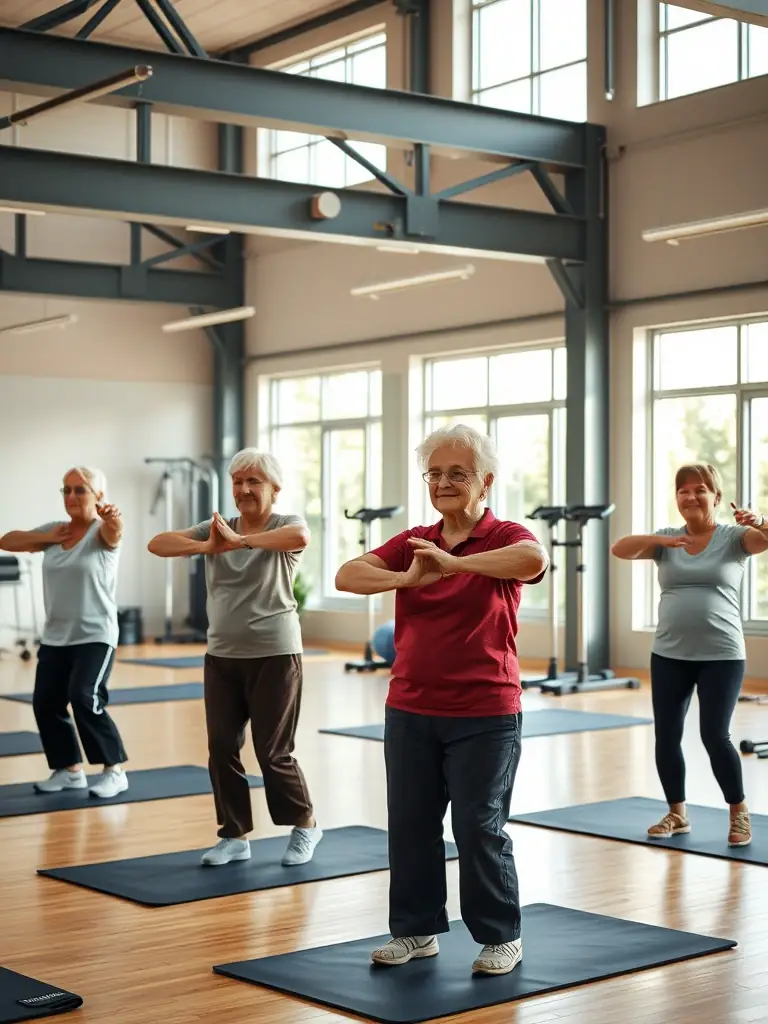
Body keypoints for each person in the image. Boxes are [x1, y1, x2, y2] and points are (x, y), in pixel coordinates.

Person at [335, 424, 547, 976]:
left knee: (479, 825)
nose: (445, 482)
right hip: (411, 707)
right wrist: (409, 575)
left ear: (486, 482)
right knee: (410, 823)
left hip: (485, 712)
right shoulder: (414, 541)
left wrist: (456, 565)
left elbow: (532, 560)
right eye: (436, 473)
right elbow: (347, 574)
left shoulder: (504, 536)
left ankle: (500, 935)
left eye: (459, 473)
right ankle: (416, 931)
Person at [147, 447, 321, 868]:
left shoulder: (284, 525)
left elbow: (299, 538)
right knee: (221, 746)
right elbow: (158, 544)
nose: (243, 489)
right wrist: (210, 543)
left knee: (272, 751)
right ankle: (234, 835)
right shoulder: (215, 529)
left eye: (254, 482)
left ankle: (305, 825)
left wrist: (239, 541)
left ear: (274, 490)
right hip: (222, 654)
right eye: (238, 482)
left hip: (275, 654)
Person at [611, 462, 768, 848]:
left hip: (721, 654)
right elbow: (620, 548)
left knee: (714, 735)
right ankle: (677, 813)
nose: (691, 497)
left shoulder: (734, 537)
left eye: (700, 490)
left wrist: (761, 520)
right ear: (677, 499)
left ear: (715, 496)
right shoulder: (667, 539)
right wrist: (660, 542)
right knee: (667, 735)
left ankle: (739, 812)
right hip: (669, 653)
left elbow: (766, 538)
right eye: (683, 491)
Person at [0, 467, 128, 799]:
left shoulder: (102, 532)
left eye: (80, 490)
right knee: (45, 702)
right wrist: (47, 539)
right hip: (56, 636)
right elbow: (7, 540)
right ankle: (69, 770)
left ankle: (114, 770)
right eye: (66, 490)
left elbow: (116, 531)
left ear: (98, 496)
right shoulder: (54, 531)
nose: (71, 497)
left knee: (85, 696)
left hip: (95, 635)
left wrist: (112, 517)